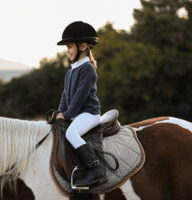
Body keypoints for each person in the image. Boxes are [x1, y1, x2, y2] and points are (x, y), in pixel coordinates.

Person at [56, 21, 106, 187]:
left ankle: (95, 169)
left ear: (83, 46)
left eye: (70, 47)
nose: (67, 51)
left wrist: (68, 114)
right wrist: (59, 113)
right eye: (67, 48)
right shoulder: (70, 72)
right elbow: (65, 96)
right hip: (77, 113)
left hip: (89, 114)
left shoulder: (87, 69)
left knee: (71, 133)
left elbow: (80, 97)